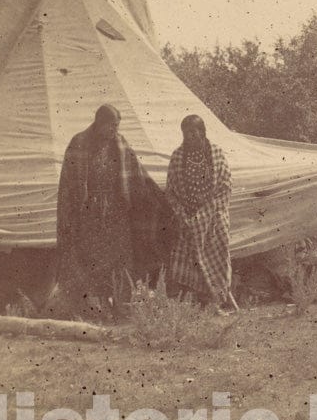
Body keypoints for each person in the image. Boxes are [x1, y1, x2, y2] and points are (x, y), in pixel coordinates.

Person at [56, 104, 167, 319]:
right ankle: (94, 308)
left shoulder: (120, 143)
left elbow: (137, 173)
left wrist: (157, 197)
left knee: (121, 260)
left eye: (117, 126)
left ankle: (121, 305)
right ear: (99, 123)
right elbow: (69, 184)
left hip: (117, 213)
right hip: (90, 214)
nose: (114, 130)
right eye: (111, 126)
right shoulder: (79, 143)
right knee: (92, 260)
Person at [165, 114, 238, 313]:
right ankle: (196, 303)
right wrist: (183, 215)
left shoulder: (215, 153)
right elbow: (171, 190)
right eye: (187, 133)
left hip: (214, 219)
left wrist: (206, 215)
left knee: (216, 258)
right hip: (187, 220)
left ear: (202, 131)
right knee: (187, 258)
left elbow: (225, 186)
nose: (191, 136)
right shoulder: (178, 156)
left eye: (195, 132)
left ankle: (214, 301)